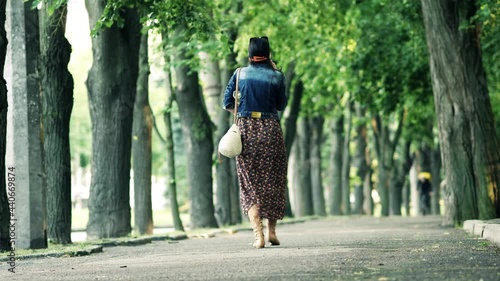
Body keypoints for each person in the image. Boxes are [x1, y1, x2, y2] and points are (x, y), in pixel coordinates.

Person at [222, 36, 287, 248]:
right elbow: (281, 105)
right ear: (268, 54)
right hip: (270, 130)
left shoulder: (240, 73)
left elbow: (226, 102)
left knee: (249, 182)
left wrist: (241, 112)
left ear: (250, 54)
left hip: (246, 131)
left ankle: (257, 235)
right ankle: (272, 232)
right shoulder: (277, 76)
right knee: (274, 179)